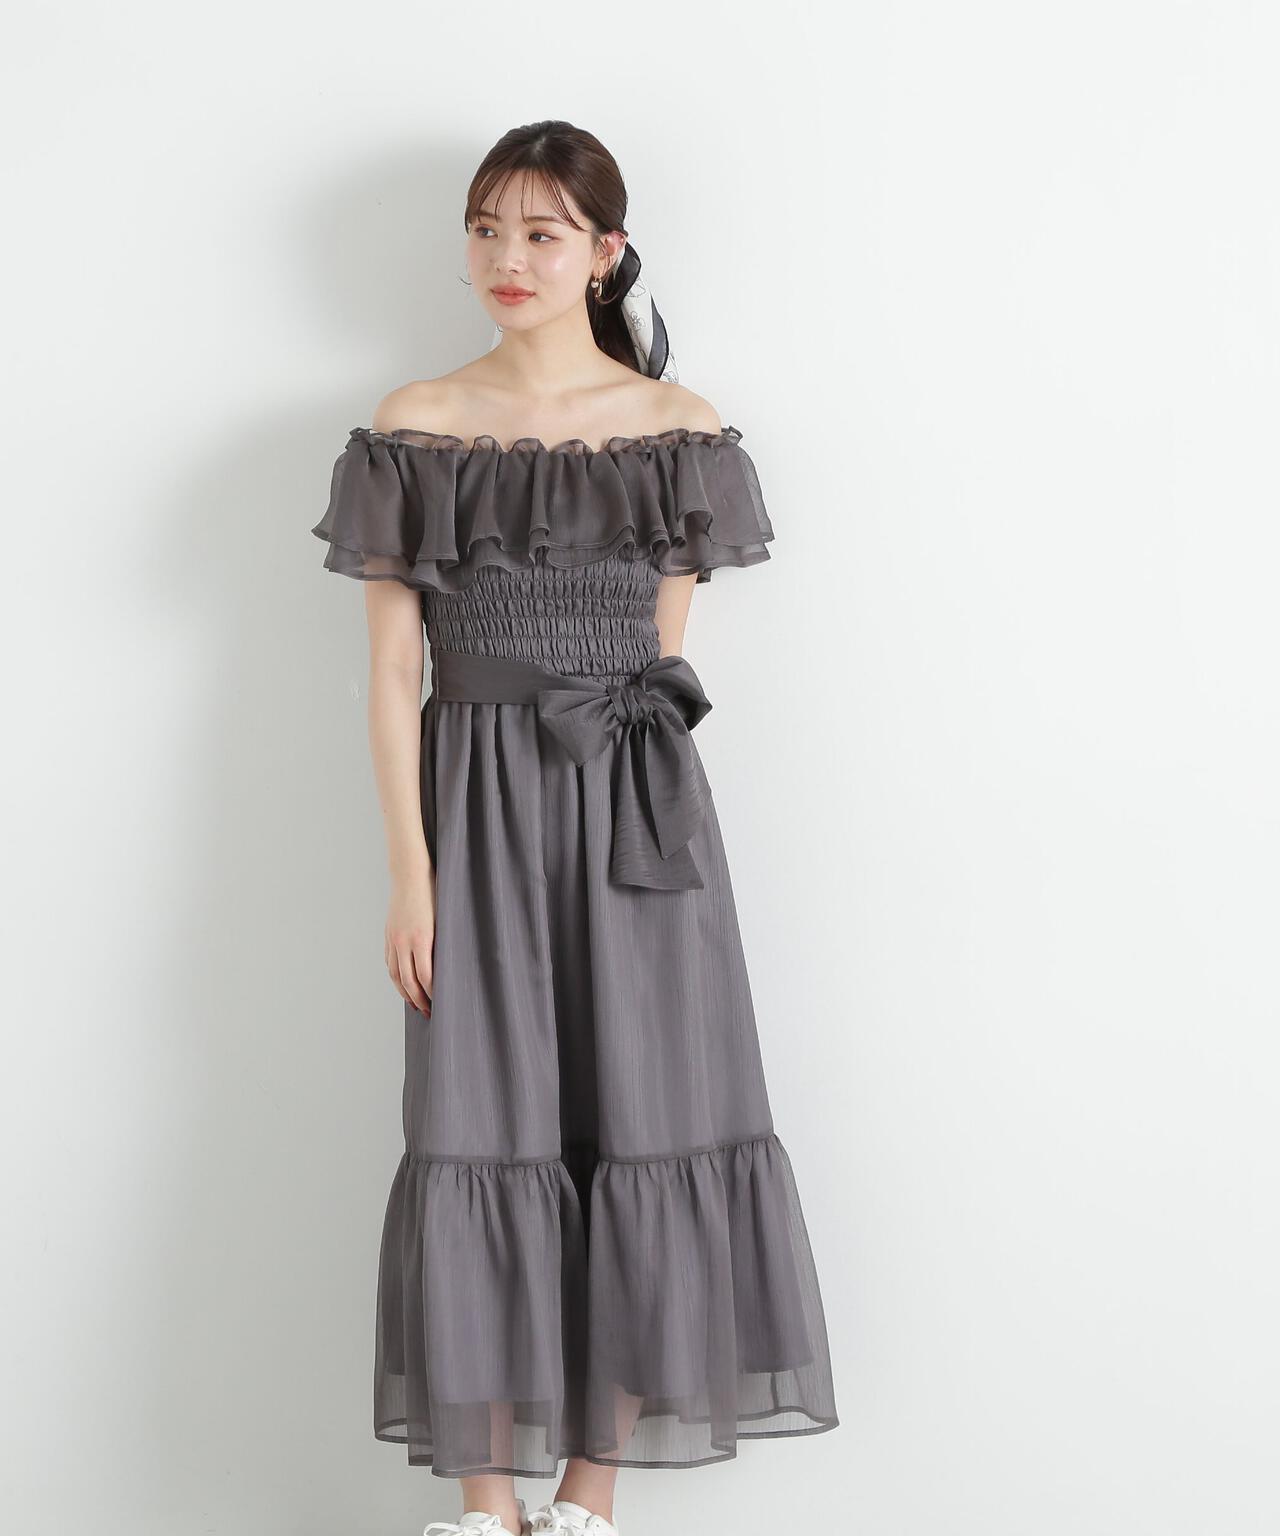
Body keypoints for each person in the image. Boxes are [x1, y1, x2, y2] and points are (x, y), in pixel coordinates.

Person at [312, 119, 838, 1536]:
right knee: (476, 1122)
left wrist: (634, 813)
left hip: (636, 809)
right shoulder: (416, 424)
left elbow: (663, 664)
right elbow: (393, 671)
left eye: (541, 234)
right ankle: (487, 1505)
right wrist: (411, 874)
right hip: (474, 807)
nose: (508, 259)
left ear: (605, 252)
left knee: (649, 1116)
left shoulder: (678, 432)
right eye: (487, 229)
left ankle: (589, 1499)